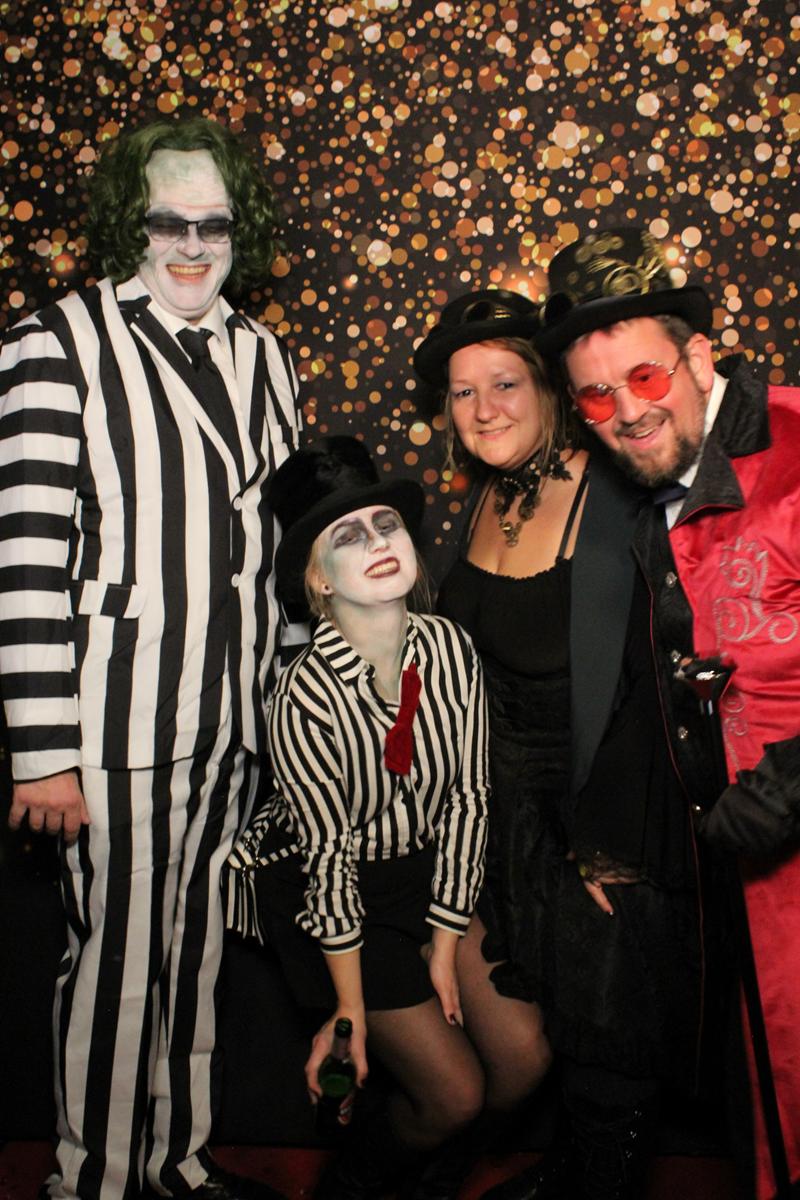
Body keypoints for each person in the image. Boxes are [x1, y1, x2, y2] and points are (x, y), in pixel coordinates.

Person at [0, 117, 300, 1200]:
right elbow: (25, 556)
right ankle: (94, 1181)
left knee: (195, 958)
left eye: (213, 224)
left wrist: (292, 707)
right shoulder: (56, 341)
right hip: (115, 721)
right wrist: (43, 753)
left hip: (235, 718)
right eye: (167, 222)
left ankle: (175, 1162)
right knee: (120, 966)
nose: (190, 246)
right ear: (129, 223)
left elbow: (284, 547)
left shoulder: (265, 355)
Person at [413, 290, 704, 1200]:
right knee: (545, 1047)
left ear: (548, 388)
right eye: (463, 393)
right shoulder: (486, 497)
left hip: (595, 816)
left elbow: (654, 678)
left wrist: (613, 838)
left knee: (608, 1054)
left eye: (504, 383)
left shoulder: (614, 495)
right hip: (498, 822)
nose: (483, 409)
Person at [539, 226, 800, 1200]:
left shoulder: (794, 442)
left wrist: (792, 780)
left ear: (698, 356)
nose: (627, 413)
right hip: (736, 905)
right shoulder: (645, 491)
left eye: (645, 377)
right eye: (596, 397)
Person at [243, 435, 489, 1199]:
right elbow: (330, 858)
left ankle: (433, 1170)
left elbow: (468, 800)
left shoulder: (450, 649)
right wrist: (348, 1009)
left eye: (387, 525)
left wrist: (445, 940)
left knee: (525, 1058)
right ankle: (352, 1183)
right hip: (336, 891)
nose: (378, 543)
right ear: (319, 578)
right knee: (456, 1095)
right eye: (348, 536)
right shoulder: (304, 695)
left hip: (429, 872)